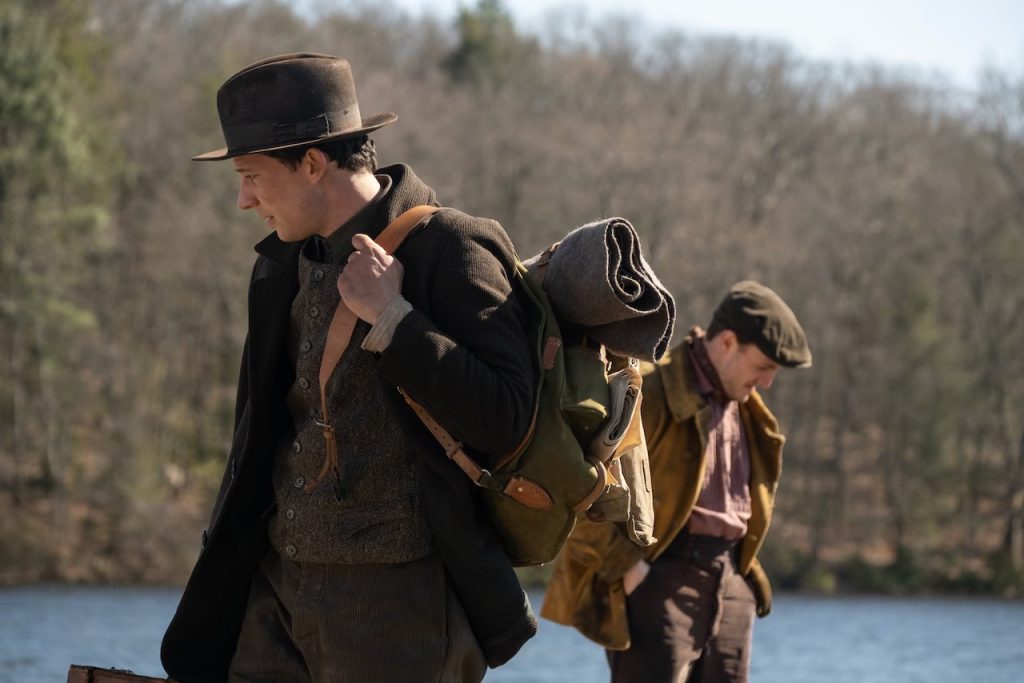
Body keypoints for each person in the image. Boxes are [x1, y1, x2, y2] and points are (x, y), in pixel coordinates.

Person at [160, 53, 539, 683]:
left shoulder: (451, 246)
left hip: (401, 603)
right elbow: (260, 430)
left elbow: (506, 418)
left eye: (252, 176)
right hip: (274, 591)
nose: (243, 200)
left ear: (312, 164)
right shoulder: (279, 263)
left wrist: (393, 319)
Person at [542, 280, 812, 683]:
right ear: (727, 342)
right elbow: (575, 487)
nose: (767, 383)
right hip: (659, 579)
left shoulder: (748, 406)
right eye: (763, 367)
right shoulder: (647, 389)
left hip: (731, 581)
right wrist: (630, 571)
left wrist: (742, 581)